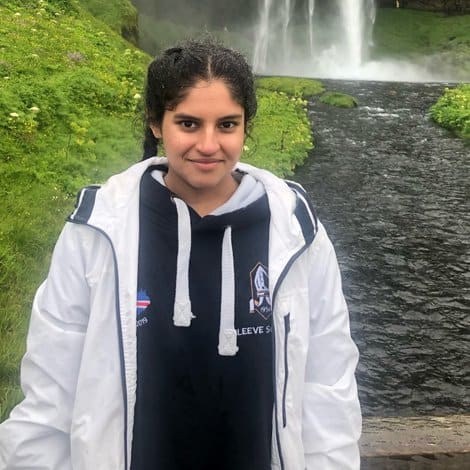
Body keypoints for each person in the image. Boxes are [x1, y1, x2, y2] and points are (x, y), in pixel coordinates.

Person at [0, 39, 361, 469]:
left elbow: (329, 388)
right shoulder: (97, 233)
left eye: (227, 125)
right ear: (156, 123)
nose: (209, 145)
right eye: (188, 124)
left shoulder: (298, 234)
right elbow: (50, 393)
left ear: (247, 126)